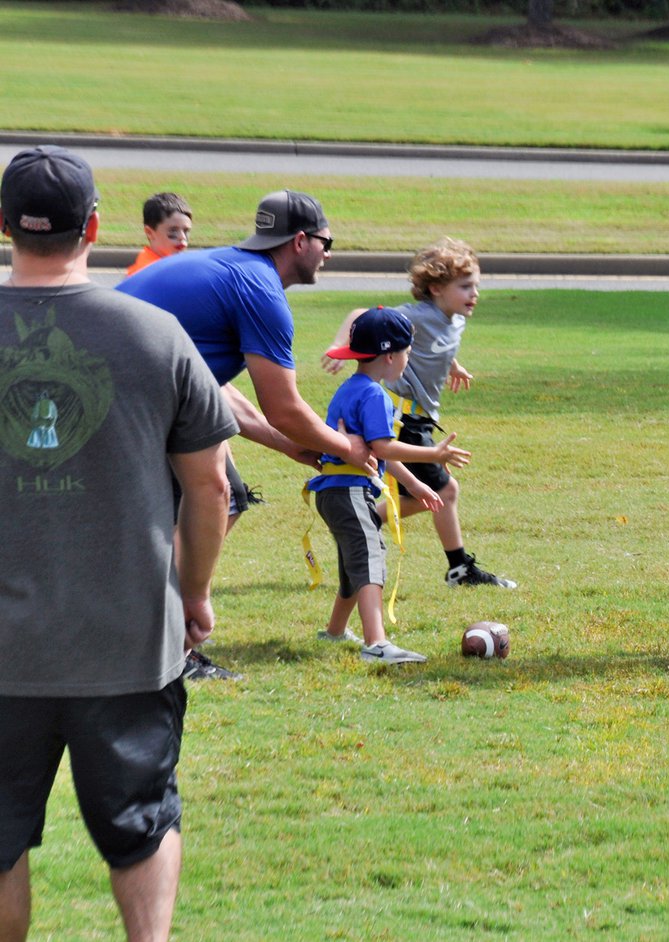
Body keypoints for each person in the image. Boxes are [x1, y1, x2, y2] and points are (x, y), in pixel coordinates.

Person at [0, 145, 235, 942]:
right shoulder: (155, 335)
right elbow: (209, 487)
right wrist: (193, 592)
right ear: (95, 226)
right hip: (129, 640)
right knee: (141, 822)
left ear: (3, 227)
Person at [117, 189, 373, 680]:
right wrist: (347, 448)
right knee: (205, 495)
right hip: (125, 402)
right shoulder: (260, 290)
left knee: (225, 496)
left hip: (123, 391)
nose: (329, 252)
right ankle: (174, 640)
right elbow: (284, 407)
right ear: (300, 241)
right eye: (326, 240)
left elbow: (213, 390)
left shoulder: (231, 269)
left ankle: (154, 630)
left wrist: (292, 446)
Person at [322, 237, 516, 590]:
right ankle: (459, 569)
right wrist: (339, 346)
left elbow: (437, 345)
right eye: (465, 286)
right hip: (405, 419)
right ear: (437, 288)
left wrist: (453, 365)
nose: (474, 294)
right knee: (446, 490)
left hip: (421, 418)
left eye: (476, 285)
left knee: (419, 496)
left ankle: (367, 522)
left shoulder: (454, 318)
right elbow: (362, 316)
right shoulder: (420, 315)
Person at [311, 306, 474, 663]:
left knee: (353, 564)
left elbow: (375, 450)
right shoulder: (374, 395)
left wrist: (414, 486)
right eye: (407, 354)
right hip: (349, 490)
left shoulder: (353, 387)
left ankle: (335, 631)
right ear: (389, 356)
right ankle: (376, 643)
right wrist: (434, 456)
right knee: (369, 558)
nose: (407, 360)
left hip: (336, 491)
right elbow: (383, 447)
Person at [125, 192, 192, 276]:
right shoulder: (148, 272)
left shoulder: (174, 265)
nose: (182, 237)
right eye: (173, 231)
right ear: (149, 232)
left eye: (186, 231)